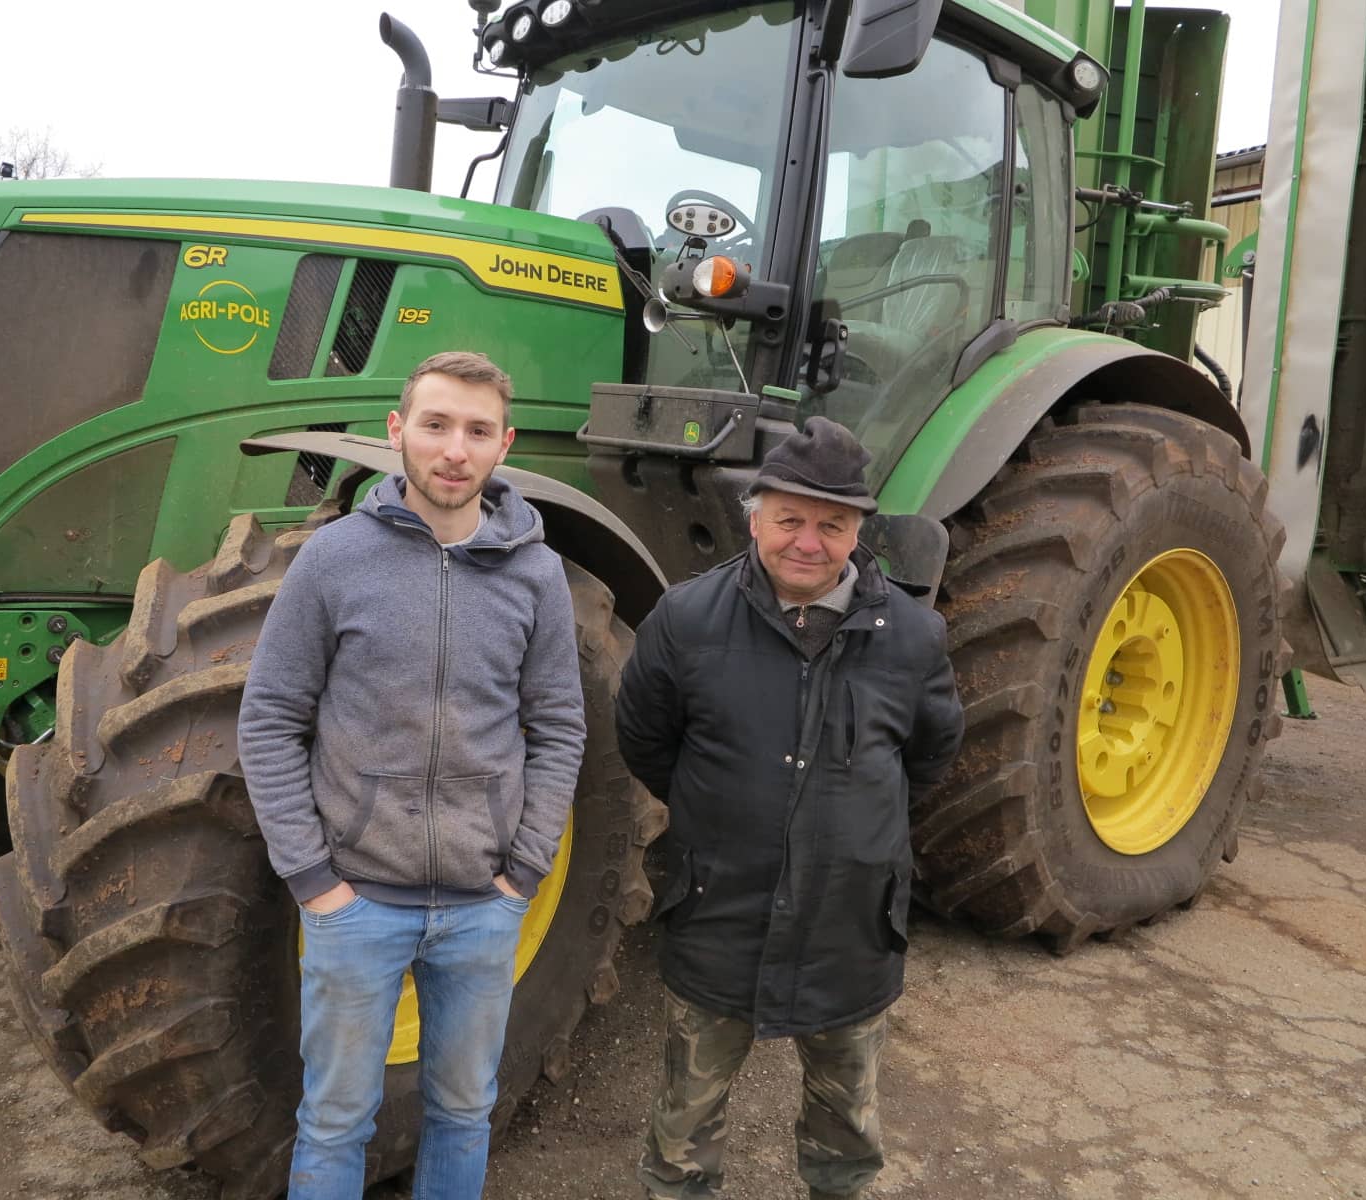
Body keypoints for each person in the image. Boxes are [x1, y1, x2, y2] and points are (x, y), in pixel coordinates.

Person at [237, 350, 587, 1200]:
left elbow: (560, 726)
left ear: (504, 446)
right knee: (334, 1122)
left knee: (464, 1112)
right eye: (435, 426)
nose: (453, 451)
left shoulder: (536, 575)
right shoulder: (333, 560)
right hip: (356, 905)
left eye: (476, 431)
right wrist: (314, 879)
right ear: (398, 433)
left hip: (481, 910)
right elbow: (271, 716)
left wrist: (523, 875)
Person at [616, 416, 965, 1200]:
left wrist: (849, 828)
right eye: (790, 520)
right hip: (718, 914)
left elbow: (928, 757)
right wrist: (725, 814)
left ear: (858, 530)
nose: (808, 542)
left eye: (831, 525)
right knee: (682, 1136)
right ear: (755, 516)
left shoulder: (912, 639)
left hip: (848, 929)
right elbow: (645, 739)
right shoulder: (686, 620)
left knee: (846, 1140)